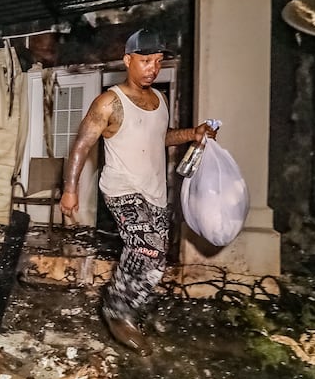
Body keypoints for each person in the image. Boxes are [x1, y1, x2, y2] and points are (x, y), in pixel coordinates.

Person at [59, 28, 217, 356]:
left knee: (154, 259)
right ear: (128, 60)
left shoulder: (158, 101)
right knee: (147, 249)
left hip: (154, 191)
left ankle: (128, 301)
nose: (152, 68)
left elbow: (160, 137)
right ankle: (117, 311)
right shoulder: (108, 102)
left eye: (158, 61)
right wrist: (70, 189)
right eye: (145, 61)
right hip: (122, 189)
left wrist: (193, 134)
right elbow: (81, 146)